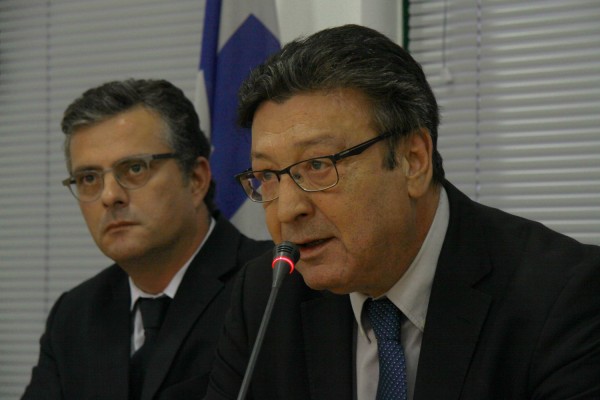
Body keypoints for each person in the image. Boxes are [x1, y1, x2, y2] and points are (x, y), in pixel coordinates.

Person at [203, 25, 600, 400]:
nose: (288, 210)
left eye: (318, 165)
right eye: (267, 176)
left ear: (413, 160)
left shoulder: (561, 298)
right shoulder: (264, 297)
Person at [21, 79, 272, 400]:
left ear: (196, 179)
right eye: (88, 178)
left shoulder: (271, 286)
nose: (109, 196)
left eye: (135, 168)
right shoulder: (74, 315)